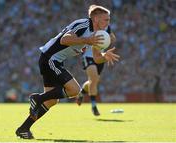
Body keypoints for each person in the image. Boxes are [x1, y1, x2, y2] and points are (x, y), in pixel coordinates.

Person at [15, 4, 120, 139]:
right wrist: (87, 40)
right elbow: (65, 39)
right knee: (74, 90)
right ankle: (38, 98)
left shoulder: (96, 34)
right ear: (96, 18)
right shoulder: (83, 24)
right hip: (50, 58)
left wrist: (105, 57)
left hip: (54, 60)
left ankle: (23, 129)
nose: (108, 22)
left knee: (52, 101)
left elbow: (97, 58)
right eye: (106, 19)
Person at [76, 27, 116, 116]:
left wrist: (109, 39)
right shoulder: (87, 26)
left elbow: (112, 38)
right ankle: (94, 106)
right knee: (94, 79)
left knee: (94, 81)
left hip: (100, 56)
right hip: (88, 56)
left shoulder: (106, 27)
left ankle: (82, 92)